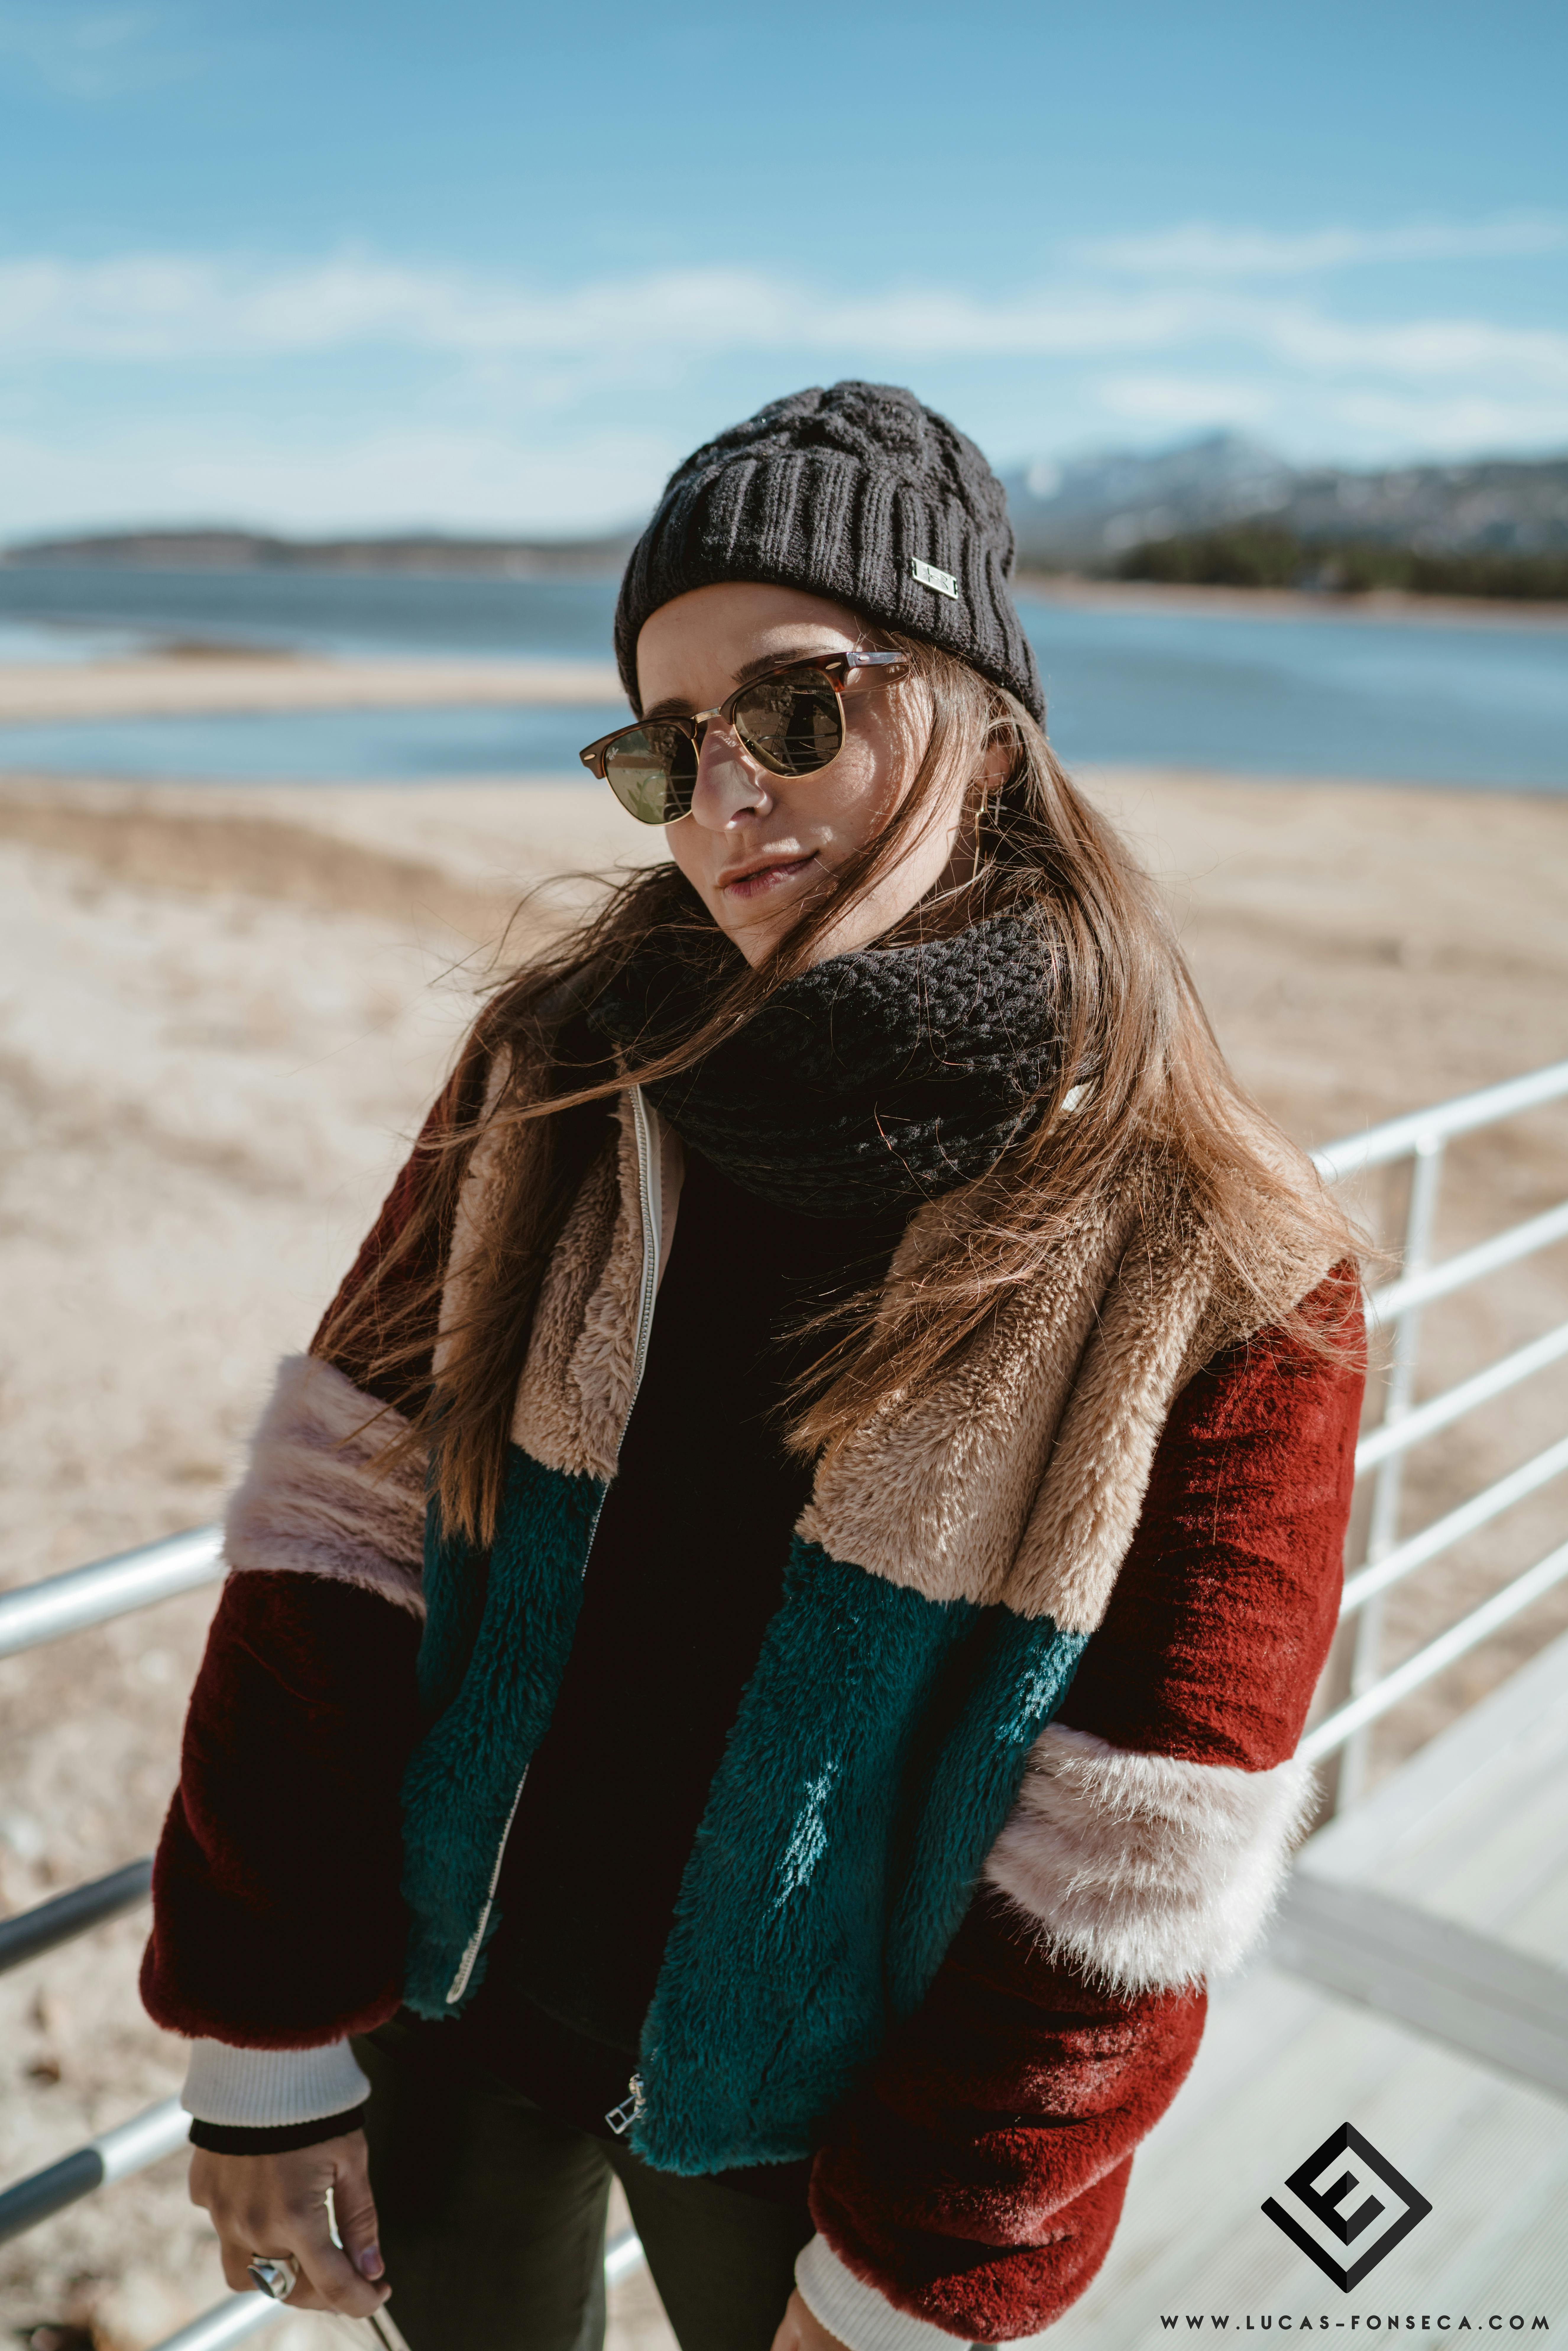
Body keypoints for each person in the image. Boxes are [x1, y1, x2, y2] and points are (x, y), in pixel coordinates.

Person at [141, 381, 1365, 2351]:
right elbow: (334, 1537)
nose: (726, 807)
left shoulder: (1220, 1251)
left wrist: (910, 2278)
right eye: (661, 750)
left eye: (798, 711)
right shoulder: (563, 1070)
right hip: (451, 2002)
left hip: (818, 2131)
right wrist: (268, 2038)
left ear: (973, 711)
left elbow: (1138, 1857)